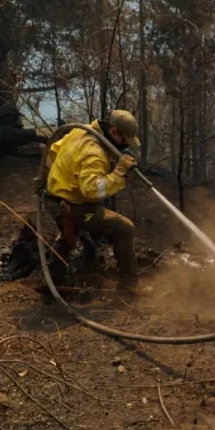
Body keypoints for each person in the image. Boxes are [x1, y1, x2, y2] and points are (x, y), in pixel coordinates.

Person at [42, 109, 142, 294]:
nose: (124, 145)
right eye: (123, 140)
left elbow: (53, 152)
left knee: (68, 234)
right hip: (73, 205)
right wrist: (119, 173)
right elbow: (93, 190)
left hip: (56, 199)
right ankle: (129, 285)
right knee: (124, 228)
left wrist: (48, 181)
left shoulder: (82, 130)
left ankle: (51, 282)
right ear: (113, 132)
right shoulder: (93, 152)